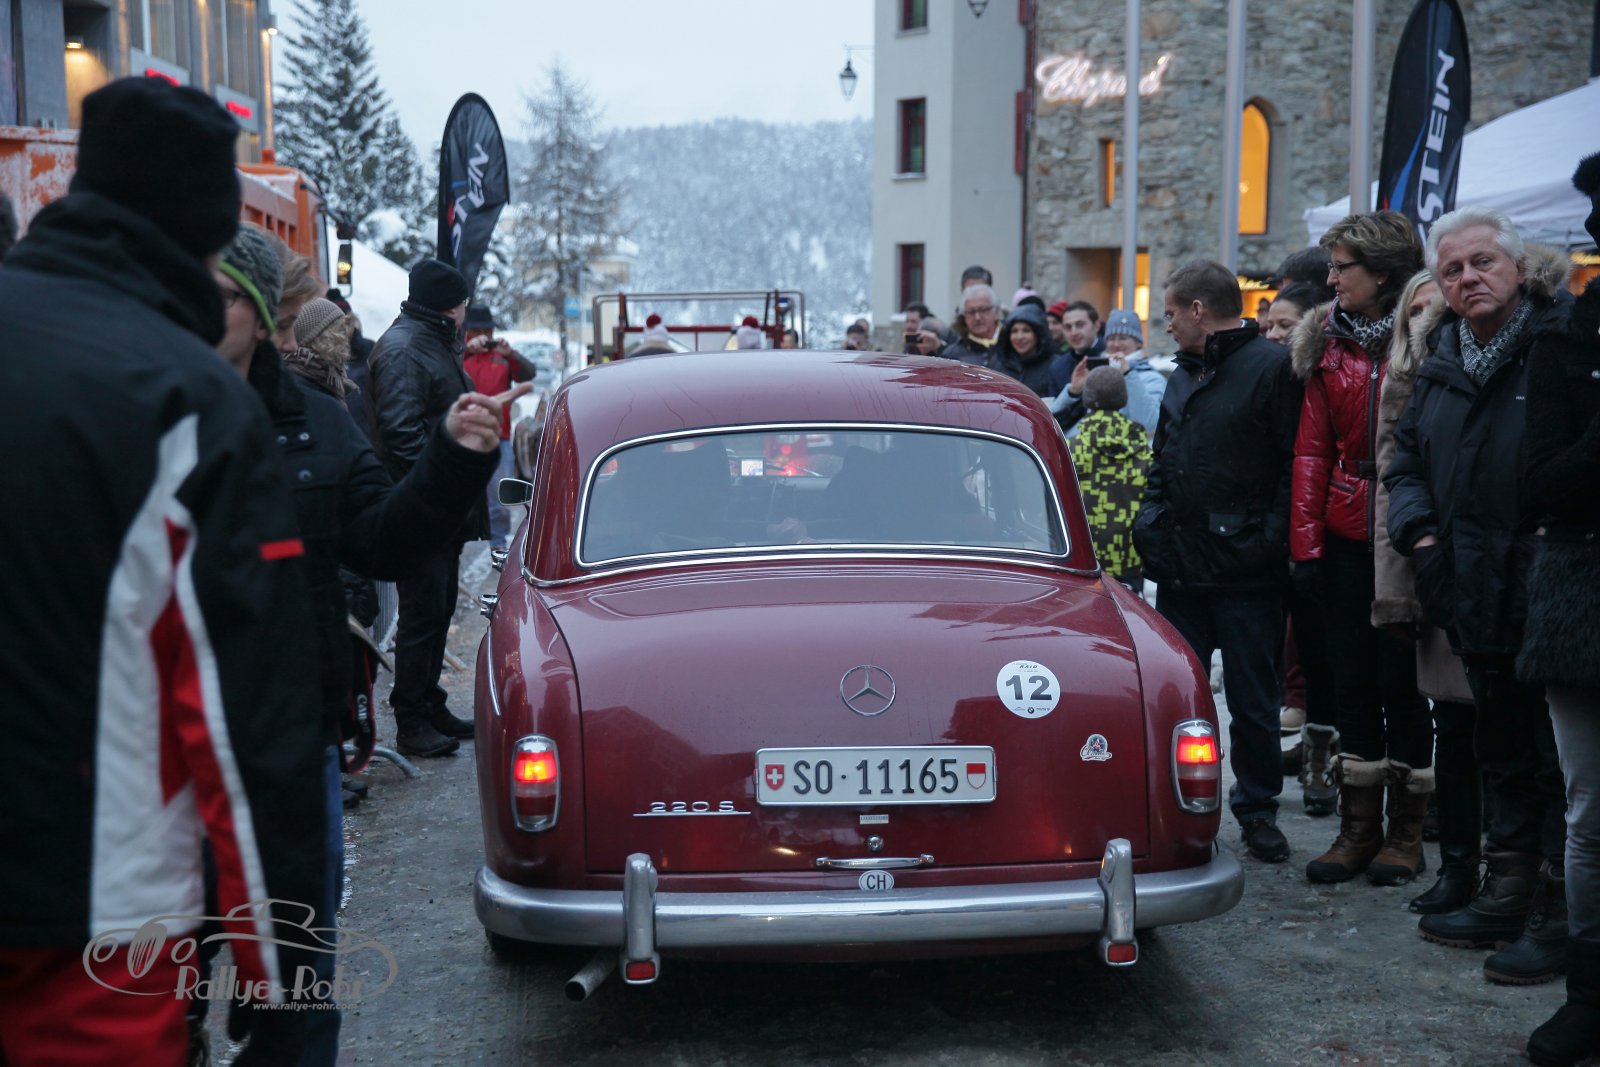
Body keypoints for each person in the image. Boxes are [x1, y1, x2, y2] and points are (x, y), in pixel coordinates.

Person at [0, 76, 325, 1066]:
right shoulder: (187, 400)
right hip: (93, 920)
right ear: (209, 228)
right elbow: (246, 723)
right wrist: (288, 987)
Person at [1386, 205, 1571, 985]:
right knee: (1501, 751)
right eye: (1452, 269)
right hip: (1468, 585)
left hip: (1552, 591)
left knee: (1557, 761)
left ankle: (1562, 913)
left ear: (1519, 268)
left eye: (1483, 262)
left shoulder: (1562, 344)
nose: (1468, 278)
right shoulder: (1441, 358)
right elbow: (1404, 465)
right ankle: (1508, 890)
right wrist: (1424, 542)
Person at [1133, 260, 1304, 863]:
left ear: (1198, 310)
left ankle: (1257, 810)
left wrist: (1267, 542)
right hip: (1182, 565)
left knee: (1254, 702)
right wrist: (1150, 523)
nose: (1167, 324)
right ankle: (1171, 807)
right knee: (1176, 696)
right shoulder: (1184, 374)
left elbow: (1293, 465)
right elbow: (1164, 458)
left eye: (1171, 313)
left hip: (1247, 571)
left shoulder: (1271, 368)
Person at [1287, 211, 1432, 886]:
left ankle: (1407, 833)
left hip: (1404, 534)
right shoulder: (1329, 343)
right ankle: (1357, 828)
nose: (1331, 279)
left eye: (1342, 267)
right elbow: (1311, 452)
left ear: (1381, 271)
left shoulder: (1426, 333)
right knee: (1351, 684)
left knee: (1403, 685)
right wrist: (1306, 547)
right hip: (1346, 535)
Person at [1519, 153, 1600, 1067]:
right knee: (1591, 813)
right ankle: (1590, 991)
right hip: (1584, 595)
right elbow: (1540, 480)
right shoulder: (1568, 343)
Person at [1371, 269, 1480, 914]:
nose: (1425, 319)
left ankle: (1514, 873)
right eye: (1414, 309)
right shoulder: (1407, 380)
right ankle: (1459, 865)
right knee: (1454, 726)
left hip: (1500, 566)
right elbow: (1397, 483)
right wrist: (1400, 588)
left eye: (1431, 308)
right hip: (1436, 565)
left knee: (1513, 735)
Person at [369, 259, 486, 757]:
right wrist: (440, 488)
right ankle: (411, 719)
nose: (465, 312)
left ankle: (428, 702)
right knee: (421, 614)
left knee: (437, 609)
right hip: (422, 509)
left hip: (440, 507)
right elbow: (402, 436)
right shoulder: (406, 348)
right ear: (450, 306)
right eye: (463, 303)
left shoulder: (430, 341)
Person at [1069, 366, 1152, 589]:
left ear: (1087, 398)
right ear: (1123, 399)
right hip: (1130, 556)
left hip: (1085, 558)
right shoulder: (1142, 449)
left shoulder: (1072, 448)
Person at [462, 306, 530, 549]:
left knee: (500, 496)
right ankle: (457, 546)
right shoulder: (459, 355)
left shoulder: (502, 356)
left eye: (487, 331)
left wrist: (511, 354)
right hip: (464, 436)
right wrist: (464, 350)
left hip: (498, 436)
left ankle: (498, 546)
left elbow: (527, 373)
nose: (483, 336)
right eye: (476, 331)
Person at [991, 302, 1056, 396]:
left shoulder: (1054, 365)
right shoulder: (998, 363)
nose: (1019, 337)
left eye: (1026, 330)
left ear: (1038, 334)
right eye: (1014, 331)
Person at [1047, 299, 1106, 396]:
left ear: (1096, 326)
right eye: (1068, 327)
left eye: (1080, 325)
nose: (1073, 332)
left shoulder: (1112, 357)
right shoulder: (1057, 367)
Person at [942, 284, 1002, 365]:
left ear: (996, 312)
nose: (977, 317)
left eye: (983, 310)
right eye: (971, 312)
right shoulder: (952, 355)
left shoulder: (1014, 344)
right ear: (964, 316)